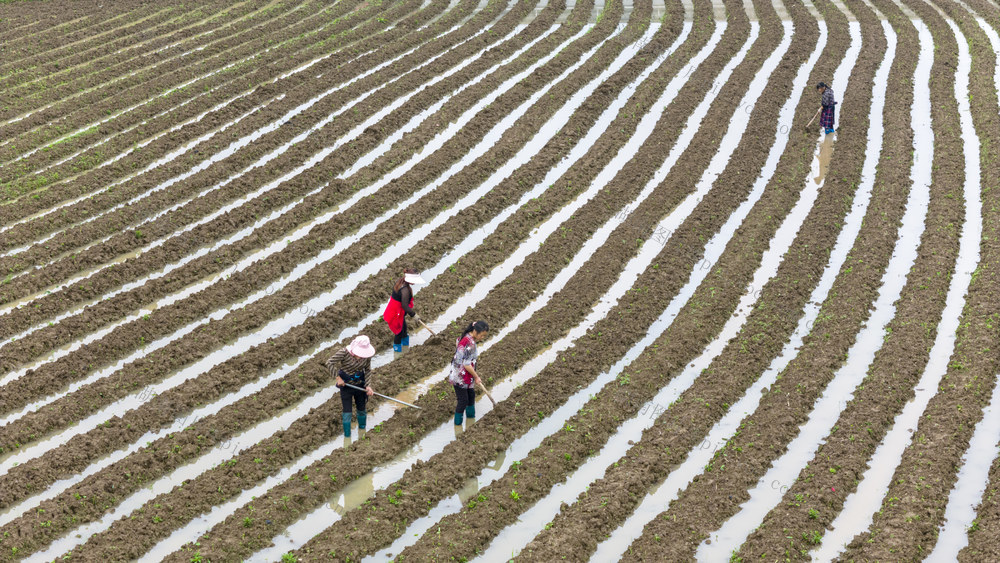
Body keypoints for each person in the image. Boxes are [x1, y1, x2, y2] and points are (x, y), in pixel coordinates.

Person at [324, 335, 376, 437]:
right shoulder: (344, 352)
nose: (361, 356)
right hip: (346, 386)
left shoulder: (367, 356)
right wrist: (338, 378)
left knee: (361, 409)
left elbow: (368, 370)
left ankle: (362, 432)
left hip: (360, 385)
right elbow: (329, 363)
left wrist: (368, 385)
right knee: (347, 412)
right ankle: (347, 436)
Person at [449, 320, 489, 426]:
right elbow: (467, 364)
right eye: (482, 335)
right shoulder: (470, 344)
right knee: (463, 401)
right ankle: (458, 425)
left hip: (465, 374)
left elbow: (457, 343)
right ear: (475, 331)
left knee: (471, 395)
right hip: (460, 376)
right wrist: (476, 377)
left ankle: (471, 420)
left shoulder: (465, 336)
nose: (482, 338)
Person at [383, 268, 426, 352]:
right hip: (395, 313)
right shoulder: (405, 290)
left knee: (404, 329)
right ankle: (397, 352)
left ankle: (405, 348)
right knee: (398, 332)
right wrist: (414, 315)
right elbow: (405, 306)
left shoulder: (401, 281)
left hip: (398, 312)